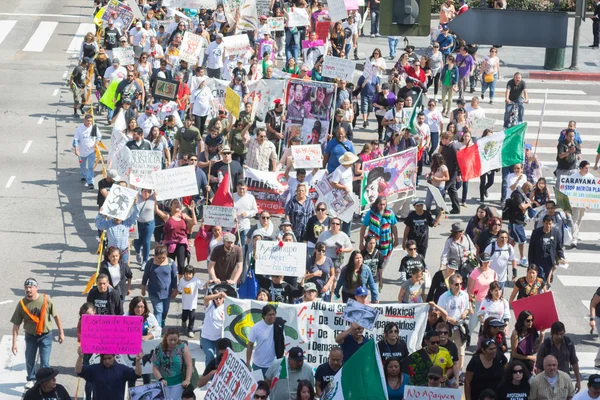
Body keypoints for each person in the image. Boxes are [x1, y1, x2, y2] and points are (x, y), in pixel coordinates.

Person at [11, 278, 65, 389]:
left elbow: (56, 316)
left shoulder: (46, 300)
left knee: (45, 362)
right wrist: (14, 343)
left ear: (37, 288)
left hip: (45, 336)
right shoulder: (22, 304)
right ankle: (31, 379)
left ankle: (45, 381)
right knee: (30, 359)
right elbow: (16, 325)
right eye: (26, 287)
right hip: (30, 336)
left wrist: (61, 332)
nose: (28, 289)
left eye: (31, 287)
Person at [76, 347, 142, 398]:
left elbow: (137, 374)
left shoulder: (122, 369)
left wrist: (138, 361)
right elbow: (78, 371)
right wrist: (80, 356)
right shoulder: (94, 369)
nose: (107, 361)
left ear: (114, 357)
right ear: (101, 358)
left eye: (109, 358)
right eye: (104, 359)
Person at [437, 273, 470, 372]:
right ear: (450, 285)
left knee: (461, 349)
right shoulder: (444, 297)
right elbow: (440, 312)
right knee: (447, 348)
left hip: (460, 327)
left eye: (460, 284)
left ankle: (459, 371)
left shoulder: (464, 295)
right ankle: (446, 369)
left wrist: (465, 313)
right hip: (448, 327)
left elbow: (467, 308)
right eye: (456, 284)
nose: (459, 286)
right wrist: (450, 319)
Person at [535, 321, 581, 392]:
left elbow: (574, 362)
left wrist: (578, 381)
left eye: (561, 334)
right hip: (548, 381)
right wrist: (538, 384)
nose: (559, 337)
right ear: (552, 333)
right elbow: (539, 366)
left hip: (565, 380)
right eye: (557, 334)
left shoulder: (568, 343)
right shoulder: (546, 345)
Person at [141, 245, 178, 327]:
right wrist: (143, 288)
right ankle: (158, 331)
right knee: (158, 311)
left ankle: (162, 320)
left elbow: (174, 277)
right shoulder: (150, 263)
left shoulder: (171, 263)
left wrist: (175, 289)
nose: (161, 260)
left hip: (167, 292)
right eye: (159, 258)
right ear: (155, 256)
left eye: (163, 258)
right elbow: (145, 276)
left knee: (165, 310)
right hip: (154, 292)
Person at [153, 328, 193, 399]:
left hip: (178, 383)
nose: (173, 342)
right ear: (166, 338)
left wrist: (187, 380)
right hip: (163, 382)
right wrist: (161, 379)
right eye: (170, 340)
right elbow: (155, 368)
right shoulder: (159, 349)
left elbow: (189, 364)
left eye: (175, 340)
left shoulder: (182, 347)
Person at [360, 196, 399, 263]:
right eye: (380, 204)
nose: (382, 206)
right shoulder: (370, 214)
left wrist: (396, 239)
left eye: (384, 204)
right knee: (371, 262)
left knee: (383, 263)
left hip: (386, 243)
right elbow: (363, 228)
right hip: (372, 244)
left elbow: (394, 227)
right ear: (376, 204)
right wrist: (361, 243)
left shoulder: (390, 213)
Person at [467, 253, 498, 336]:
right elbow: (469, 290)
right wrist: (470, 304)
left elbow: (496, 288)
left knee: (485, 323)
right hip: (476, 301)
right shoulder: (474, 273)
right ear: (480, 262)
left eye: (488, 262)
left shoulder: (493, 273)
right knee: (473, 323)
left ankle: (482, 341)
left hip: (488, 302)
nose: (486, 264)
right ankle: (468, 337)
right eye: (484, 262)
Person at [529, 216, 566, 287]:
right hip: (539, 260)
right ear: (543, 223)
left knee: (546, 279)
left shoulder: (556, 232)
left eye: (550, 224)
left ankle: (544, 289)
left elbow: (559, 248)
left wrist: (562, 257)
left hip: (549, 261)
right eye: (546, 224)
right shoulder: (536, 233)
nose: (548, 226)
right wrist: (531, 263)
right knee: (540, 278)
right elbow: (531, 249)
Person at [566, 160, 594, 248]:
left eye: (588, 168)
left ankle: (576, 234)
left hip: (584, 203)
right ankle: (574, 239)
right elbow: (569, 189)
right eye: (586, 168)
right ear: (581, 168)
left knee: (580, 219)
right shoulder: (573, 176)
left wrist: (590, 202)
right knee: (574, 219)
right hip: (574, 203)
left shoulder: (591, 177)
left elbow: (592, 191)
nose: (587, 170)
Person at [247, 304, 278, 376]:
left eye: (274, 314)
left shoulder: (278, 326)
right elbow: (250, 345)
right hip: (258, 364)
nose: (272, 316)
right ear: (264, 316)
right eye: (269, 315)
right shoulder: (256, 327)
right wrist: (248, 362)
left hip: (273, 364)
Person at [73, 114, 102, 190]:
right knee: (82, 165)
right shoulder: (79, 128)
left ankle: (90, 182)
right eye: (88, 121)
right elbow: (75, 139)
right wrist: (76, 149)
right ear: (84, 120)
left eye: (91, 121)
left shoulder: (94, 127)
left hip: (91, 151)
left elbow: (99, 136)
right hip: (82, 151)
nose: (89, 122)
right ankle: (83, 176)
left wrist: (97, 142)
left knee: (90, 167)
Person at [508, 182, 533, 264]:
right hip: (516, 221)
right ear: (525, 187)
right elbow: (521, 206)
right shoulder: (517, 194)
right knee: (522, 240)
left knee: (513, 239)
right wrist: (528, 205)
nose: (528, 192)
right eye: (529, 190)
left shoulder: (520, 193)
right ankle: (522, 258)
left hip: (517, 221)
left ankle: (507, 254)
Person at [200, 287, 227, 365]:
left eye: (220, 298)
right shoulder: (210, 305)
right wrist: (217, 294)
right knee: (210, 356)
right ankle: (207, 375)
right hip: (206, 338)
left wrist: (225, 296)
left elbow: (234, 303)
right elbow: (205, 299)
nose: (218, 300)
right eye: (216, 298)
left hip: (219, 338)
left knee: (220, 358)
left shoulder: (226, 307)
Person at [178, 265, 204, 338]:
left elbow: (202, 286)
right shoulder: (182, 280)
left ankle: (190, 330)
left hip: (193, 304)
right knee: (184, 315)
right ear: (184, 273)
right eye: (186, 274)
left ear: (193, 274)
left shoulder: (196, 280)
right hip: (185, 303)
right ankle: (183, 321)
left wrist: (208, 283)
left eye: (190, 274)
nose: (188, 276)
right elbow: (179, 289)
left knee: (192, 317)